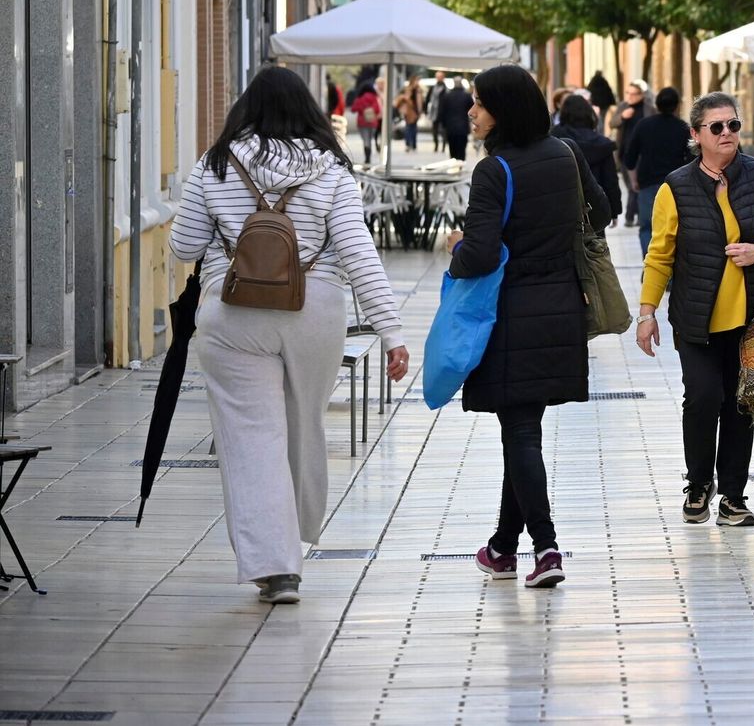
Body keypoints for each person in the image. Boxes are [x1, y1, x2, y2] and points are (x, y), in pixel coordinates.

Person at [169, 67, 408, 605]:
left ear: (246, 108)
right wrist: (390, 330)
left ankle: (276, 568)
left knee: (252, 438)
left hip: (233, 315)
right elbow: (356, 250)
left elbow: (184, 245)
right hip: (315, 311)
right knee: (303, 428)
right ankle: (296, 531)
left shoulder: (213, 165)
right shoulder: (332, 171)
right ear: (309, 111)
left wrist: (224, 237)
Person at [443, 65, 612, 590]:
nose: (470, 112)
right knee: (524, 430)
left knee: (519, 431)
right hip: (561, 307)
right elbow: (601, 211)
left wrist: (455, 249)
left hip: (511, 314)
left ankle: (545, 546)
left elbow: (480, 254)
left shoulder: (494, 171)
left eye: (479, 103)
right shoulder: (566, 154)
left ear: (504, 111)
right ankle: (500, 547)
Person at [635, 92, 754, 529]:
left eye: (733, 125)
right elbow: (660, 255)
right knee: (704, 398)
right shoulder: (675, 187)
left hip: (752, 315)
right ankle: (697, 484)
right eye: (717, 127)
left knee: (740, 404)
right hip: (697, 317)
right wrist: (647, 311)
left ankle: (732, 496)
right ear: (696, 135)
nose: (727, 133)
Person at [623, 87, 692, 256]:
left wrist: (633, 181)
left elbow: (629, 158)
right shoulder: (683, 128)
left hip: (647, 183)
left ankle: (650, 266)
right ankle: (669, 268)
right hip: (675, 187)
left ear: (657, 104)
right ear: (677, 106)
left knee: (647, 227)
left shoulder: (643, 125)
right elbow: (692, 159)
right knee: (674, 229)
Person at [553, 93, 623, 220]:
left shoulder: (555, 137)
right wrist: (614, 210)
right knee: (595, 238)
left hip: (563, 205)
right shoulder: (602, 144)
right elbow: (610, 180)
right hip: (595, 205)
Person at [609, 80, 652, 225]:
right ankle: (635, 215)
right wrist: (622, 117)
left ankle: (631, 216)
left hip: (643, 152)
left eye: (634, 94)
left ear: (641, 95)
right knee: (631, 185)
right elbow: (612, 123)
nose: (630, 97)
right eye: (628, 93)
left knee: (637, 184)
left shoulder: (648, 108)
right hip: (625, 151)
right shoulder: (623, 106)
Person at [438, 75, 474, 161]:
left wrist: (443, 125)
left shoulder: (447, 96)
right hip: (463, 126)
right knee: (462, 148)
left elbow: (442, 111)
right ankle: (461, 162)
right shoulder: (466, 96)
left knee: (452, 147)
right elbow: (472, 110)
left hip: (450, 126)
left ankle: (453, 161)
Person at [350, 81, 383, 165]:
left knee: (365, 140)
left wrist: (362, 109)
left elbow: (353, 109)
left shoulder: (359, 98)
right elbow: (377, 109)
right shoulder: (374, 97)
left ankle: (367, 157)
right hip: (372, 122)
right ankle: (368, 156)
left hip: (362, 122)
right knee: (369, 139)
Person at [394, 74, 424, 153]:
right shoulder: (409, 89)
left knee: (413, 128)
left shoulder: (418, 89)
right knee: (409, 127)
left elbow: (420, 101)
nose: (417, 82)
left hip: (416, 110)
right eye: (416, 80)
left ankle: (413, 144)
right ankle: (408, 144)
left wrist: (420, 111)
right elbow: (405, 98)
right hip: (409, 110)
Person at [425, 71, 447, 152]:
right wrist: (425, 110)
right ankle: (436, 145)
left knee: (443, 131)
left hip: (443, 113)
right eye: (437, 76)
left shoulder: (445, 88)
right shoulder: (432, 88)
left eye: (440, 76)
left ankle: (444, 146)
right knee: (434, 130)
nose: (439, 78)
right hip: (434, 112)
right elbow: (427, 99)